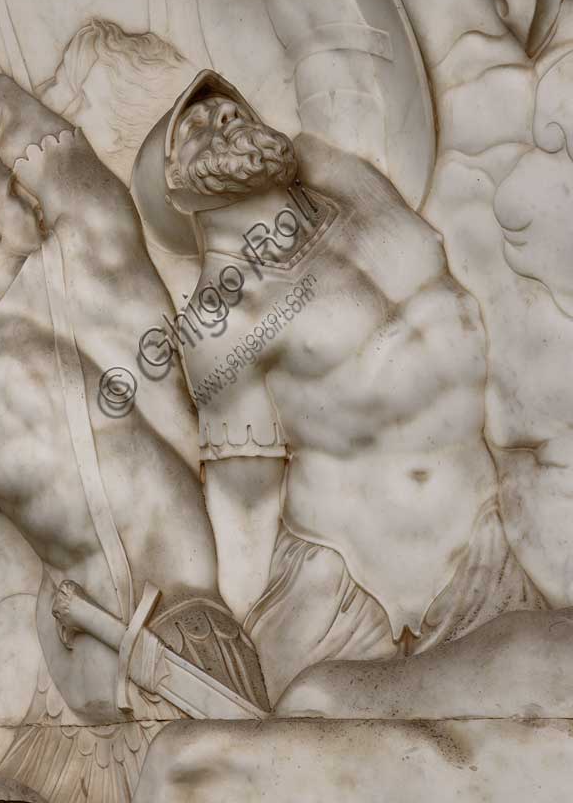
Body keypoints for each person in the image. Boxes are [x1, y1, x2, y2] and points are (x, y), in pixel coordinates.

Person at [0, 64, 268, 793]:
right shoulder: (99, 238)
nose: (27, 189)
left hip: (138, 688)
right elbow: (7, 102)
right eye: (10, 189)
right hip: (201, 647)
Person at [131, 68, 546, 703]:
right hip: (368, 594)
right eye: (193, 129)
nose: (222, 119)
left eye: (225, 107)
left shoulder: (349, 178)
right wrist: (234, 645)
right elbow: (244, 503)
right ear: (176, 192)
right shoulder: (221, 322)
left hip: (493, 529)